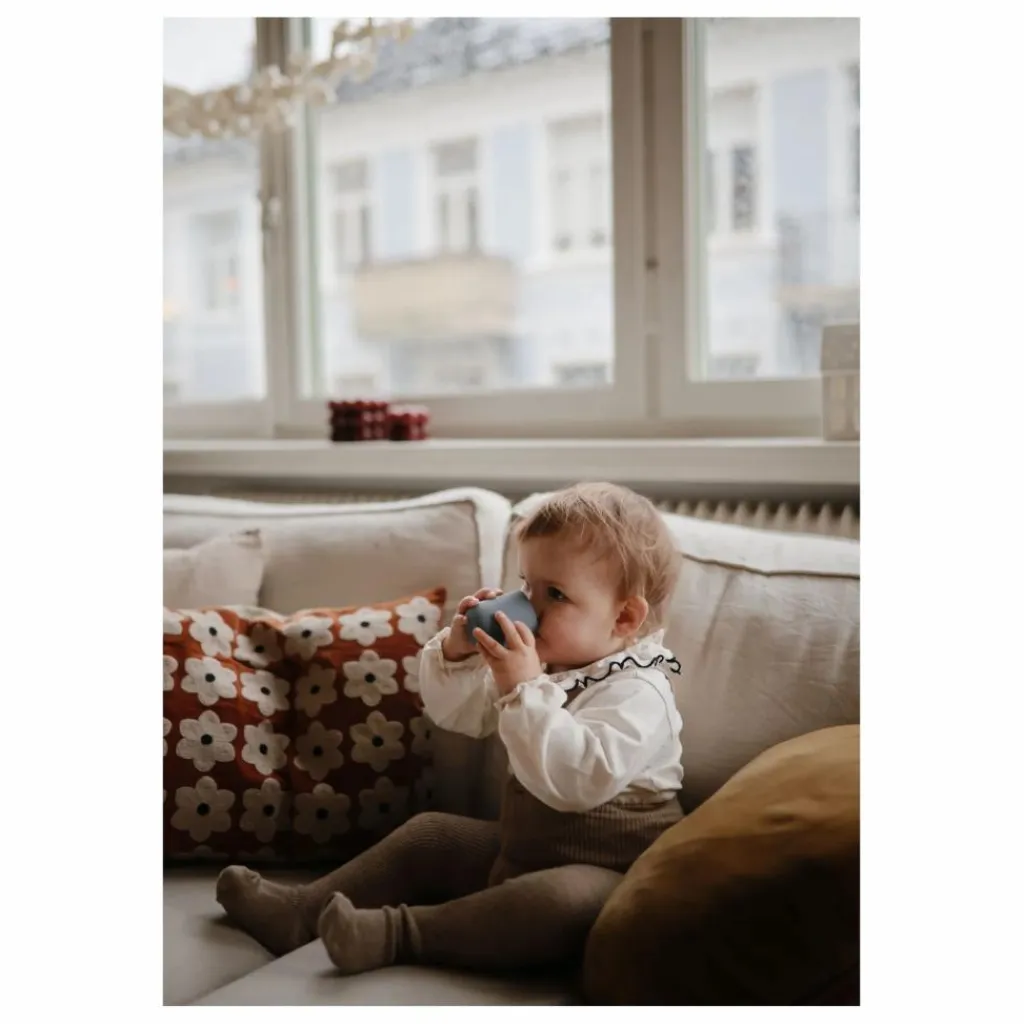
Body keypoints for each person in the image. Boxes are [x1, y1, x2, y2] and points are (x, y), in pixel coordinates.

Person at [216, 481, 685, 976]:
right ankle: (301, 913)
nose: (528, 607)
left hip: (611, 871)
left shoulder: (639, 691)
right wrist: (458, 657)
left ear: (624, 617)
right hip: (526, 847)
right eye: (527, 586)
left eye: (555, 594)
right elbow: (460, 715)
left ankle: (397, 934)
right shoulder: (545, 667)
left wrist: (523, 688)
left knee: (559, 901)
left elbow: (577, 783)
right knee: (431, 835)